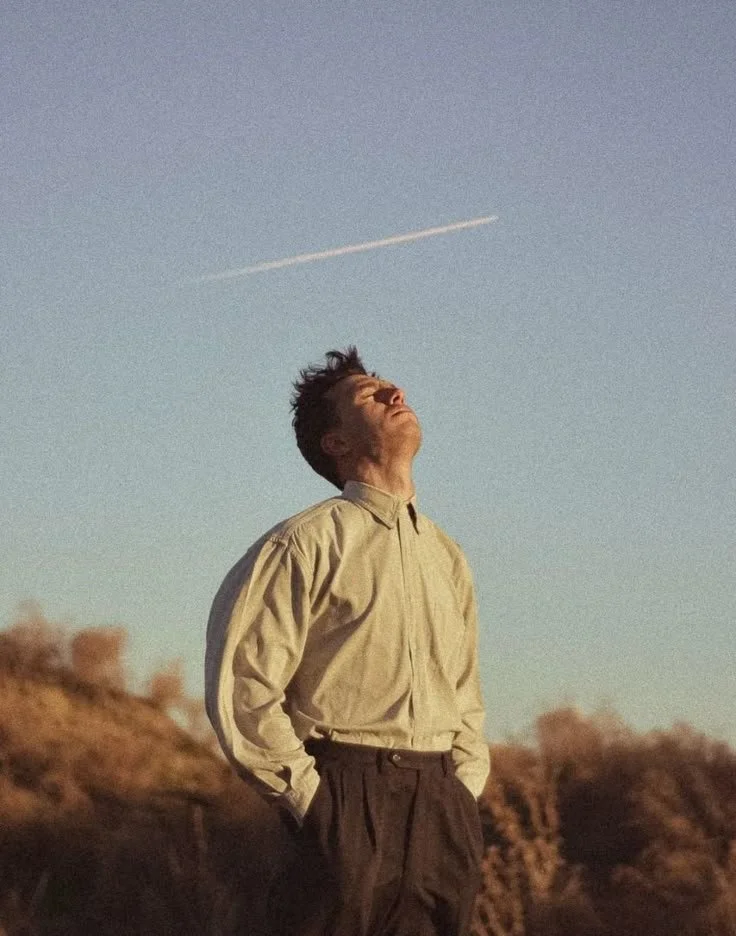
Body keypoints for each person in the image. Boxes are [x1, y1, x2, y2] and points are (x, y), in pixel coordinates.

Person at [205, 347, 489, 936]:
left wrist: (460, 794)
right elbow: (244, 687)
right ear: (335, 442)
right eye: (370, 394)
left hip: (442, 811)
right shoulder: (301, 545)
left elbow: (465, 694)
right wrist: (313, 801)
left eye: (392, 386)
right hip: (344, 794)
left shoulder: (448, 557)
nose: (395, 394)